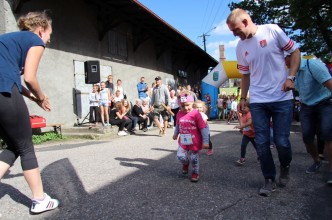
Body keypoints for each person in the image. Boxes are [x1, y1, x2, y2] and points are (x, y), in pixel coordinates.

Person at [227, 8, 301, 196]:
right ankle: (269, 179)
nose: (234, 34)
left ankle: (285, 166)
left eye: (235, 29)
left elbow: (295, 52)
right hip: (258, 100)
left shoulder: (272, 30)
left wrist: (290, 77)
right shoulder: (240, 46)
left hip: (281, 98)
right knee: (261, 142)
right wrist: (243, 99)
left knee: (281, 141)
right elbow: (245, 75)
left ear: (245, 21)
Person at [0, 11, 59, 214]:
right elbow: (30, 78)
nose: (48, 41)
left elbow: (13, 78)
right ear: (41, 30)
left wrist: (33, 98)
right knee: (25, 146)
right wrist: (41, 96)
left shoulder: (8, 40)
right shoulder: (35, 39)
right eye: (49, 36)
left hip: (4, 89)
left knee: (13, 145)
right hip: (4, 92)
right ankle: (39, 199)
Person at [285, 55, 332, 184]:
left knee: (327, 134)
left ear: (292, 57)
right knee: (307, 136)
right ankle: (317, 161)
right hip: (307, 105)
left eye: (284, 59)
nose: (283, 63)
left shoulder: (313, 65)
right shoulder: (289, 73)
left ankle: (331, 170)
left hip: (325, 102)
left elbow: (330, 84)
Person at [173, 92, 209, 182]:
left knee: (194, 159)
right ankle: (185, 164)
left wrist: (206, 141)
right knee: (180, 156)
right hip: (183, 141)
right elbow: (178, 124)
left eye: (187, 105)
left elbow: (203, 128)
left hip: (195, 141)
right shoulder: (179, 114)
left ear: (192, 103)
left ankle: (195, 173)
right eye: (182, 106)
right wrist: (176, 133)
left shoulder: (196, 113)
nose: (185, 108)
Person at [233, 100, 257, 165]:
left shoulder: (249, 113)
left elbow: (250, 122)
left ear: (249, 108)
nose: (242, 109)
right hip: (246, 134)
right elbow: (242, 124)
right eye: (241, 108)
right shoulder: (242, 115)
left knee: (257, 146)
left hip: (253, 134)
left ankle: (261, 156)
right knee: (243, 145)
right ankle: (242, 158)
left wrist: (242, 126)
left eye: (244, 108)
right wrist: (241, 128)